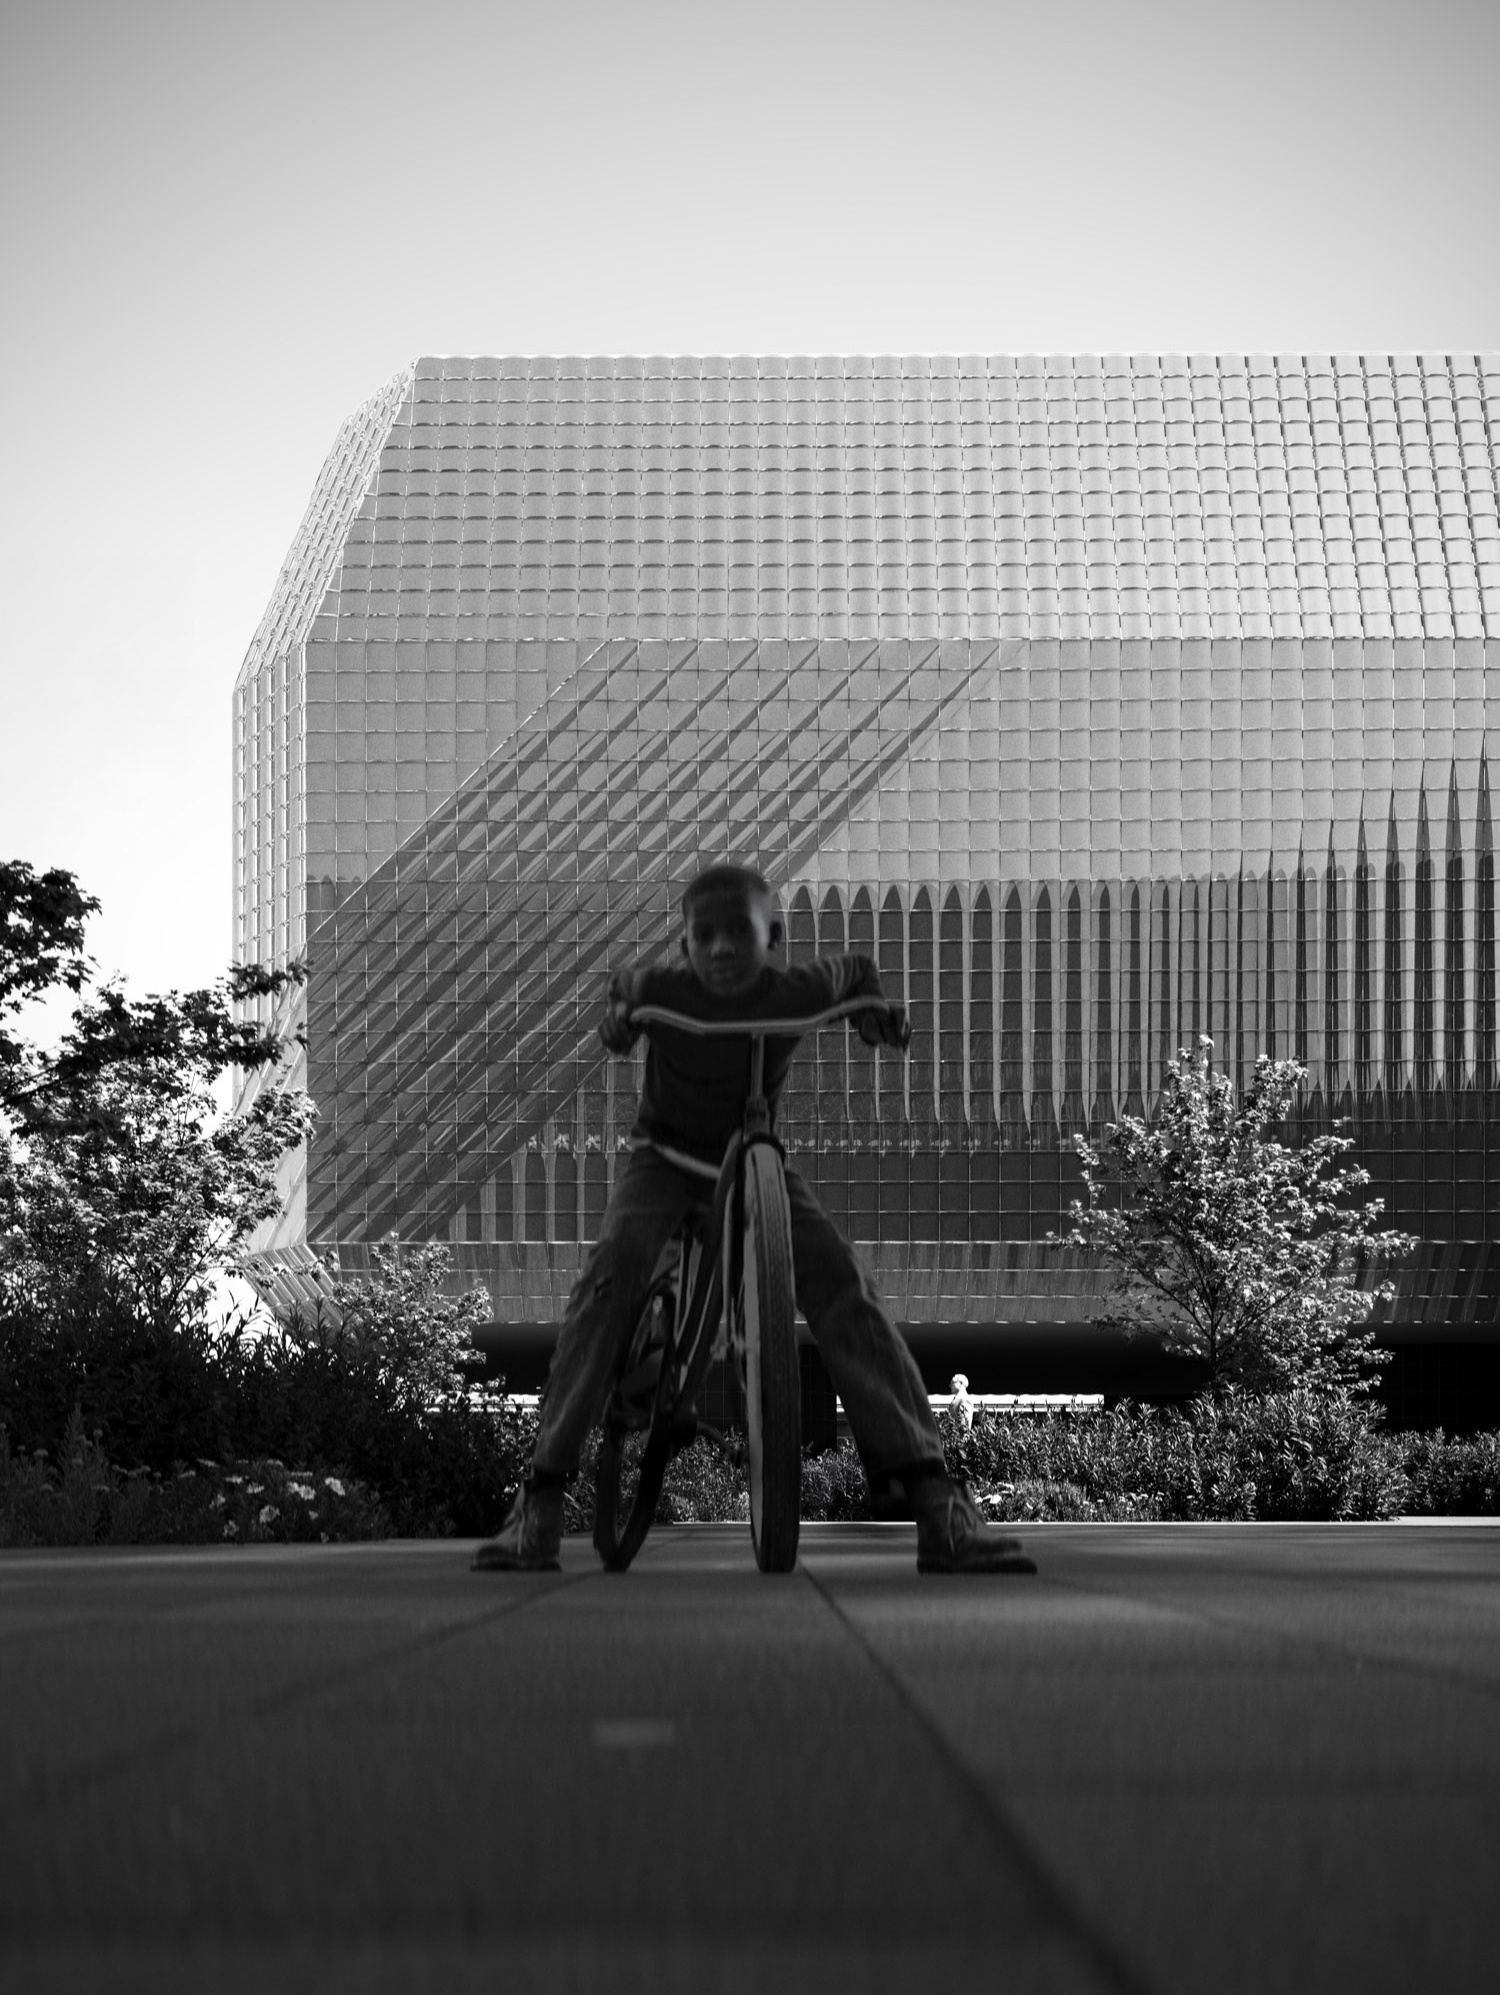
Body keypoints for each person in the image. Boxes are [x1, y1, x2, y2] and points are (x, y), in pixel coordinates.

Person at [472, 862, 1035, 1576]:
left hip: (755, 1149)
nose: (720, 949)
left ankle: (936, 1505)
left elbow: (856, 972)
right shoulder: (664, 990)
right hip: (665, 1161)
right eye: (701, 936)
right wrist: (617, 1021)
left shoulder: (796, 990)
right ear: (683, 944)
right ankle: (541, 1502)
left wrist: (873, 1010)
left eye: (739, 931)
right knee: (609, 1277)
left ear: (775, 936)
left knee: (841, 1281)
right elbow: (624, 989)